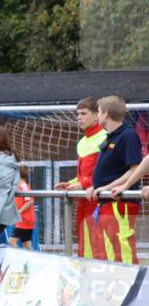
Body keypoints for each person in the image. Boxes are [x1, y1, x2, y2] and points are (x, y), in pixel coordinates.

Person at [84, 96, 144, 264]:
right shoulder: (110, 137)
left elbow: (133, 170)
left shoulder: (128, 136)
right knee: (110, 250)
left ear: (106, 113)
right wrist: (95, 186)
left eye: (99, 111)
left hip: (120, 203)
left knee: (122, 249)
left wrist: (106, 187)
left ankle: (131, 287)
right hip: (107, 201)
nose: (97, 116)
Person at [53, 97, 106, 258]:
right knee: (84, 245)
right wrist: (69, 184)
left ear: (97, 115)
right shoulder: (82, 141)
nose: (79, 118)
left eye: (83, 113)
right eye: (78, 114)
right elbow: (83, 176)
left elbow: (105, 173)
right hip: (82, 200)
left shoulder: (106, 137)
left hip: (98, 199)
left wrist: (82, 184)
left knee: (99, 244)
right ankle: (86, 278)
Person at [8, 164, 35, 249]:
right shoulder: (19, 186)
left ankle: (21, 259)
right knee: (27, 245)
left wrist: (18, 212)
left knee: (11, 242)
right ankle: (31, 261)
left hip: (24, 220)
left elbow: (30, 201)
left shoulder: (23, 186)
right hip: (24, 219)